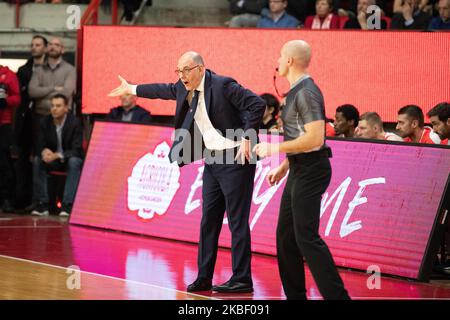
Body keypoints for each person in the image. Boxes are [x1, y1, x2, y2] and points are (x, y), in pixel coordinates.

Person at [108, 51, 265, 293]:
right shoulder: (183, 88)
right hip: (212, 159)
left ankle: (242, 278)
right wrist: (132, 88)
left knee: (236, 222)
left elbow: (258, 104)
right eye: (179, 71)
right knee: (208, 221)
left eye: (186, 70)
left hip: (236, 158)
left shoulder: (224, 85)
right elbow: (162, 90)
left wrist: (247, 136)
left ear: (201, 69)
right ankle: (204, 277)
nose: (182, 76)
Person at [253, 40, 350, 300]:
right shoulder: (296, 91)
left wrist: (275, 150)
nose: (277, 59)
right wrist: (286, 165)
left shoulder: (306, 92)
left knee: (306, 237)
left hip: (312, 169)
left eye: (280, 55)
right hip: (298, 168)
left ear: (289, 61)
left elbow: (316, 138)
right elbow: (302, 138)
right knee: (286, 238)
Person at [31, 94, 84, 217]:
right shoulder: (44, 122)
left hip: (67, 159)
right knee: (38, 160)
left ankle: (67, 205)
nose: (54, 109)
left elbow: (77, 150)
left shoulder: (75, 123)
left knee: (75, 161)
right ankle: (42, 204)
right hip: (53, 161)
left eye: (58, 106)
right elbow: (38, 144)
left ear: (66, 108)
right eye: (52, 106)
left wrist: (58, 155)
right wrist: (44, 151)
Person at [15, 35, 48, 211]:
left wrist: (38, 92)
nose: (34, 48)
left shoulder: (50, 68)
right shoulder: (23, 70)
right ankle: (22, 199)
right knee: (23, 160)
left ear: (45, 47)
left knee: (40, 158)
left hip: (43, 118)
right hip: (25, 119)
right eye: (32, 45)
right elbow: (28, 94)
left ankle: (40, 200)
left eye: (38, 45)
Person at [28, 37, 76, 154]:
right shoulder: (38, 70)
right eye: (50, 44)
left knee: (62, 154)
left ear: (62, 50)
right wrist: (54, 88)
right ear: (46, 48)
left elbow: (66, 93)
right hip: (40, 117)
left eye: (56, 45)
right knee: (39, 155)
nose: (52, 47)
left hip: (62, 119)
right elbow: (32, 92)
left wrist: (43, 93)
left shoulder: (70, 70)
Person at [0, 55, 21, 213]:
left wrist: (6, 101)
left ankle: (7, 199)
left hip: (3, 124)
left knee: (4, 162)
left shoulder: (8, 75)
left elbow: (17, 97)